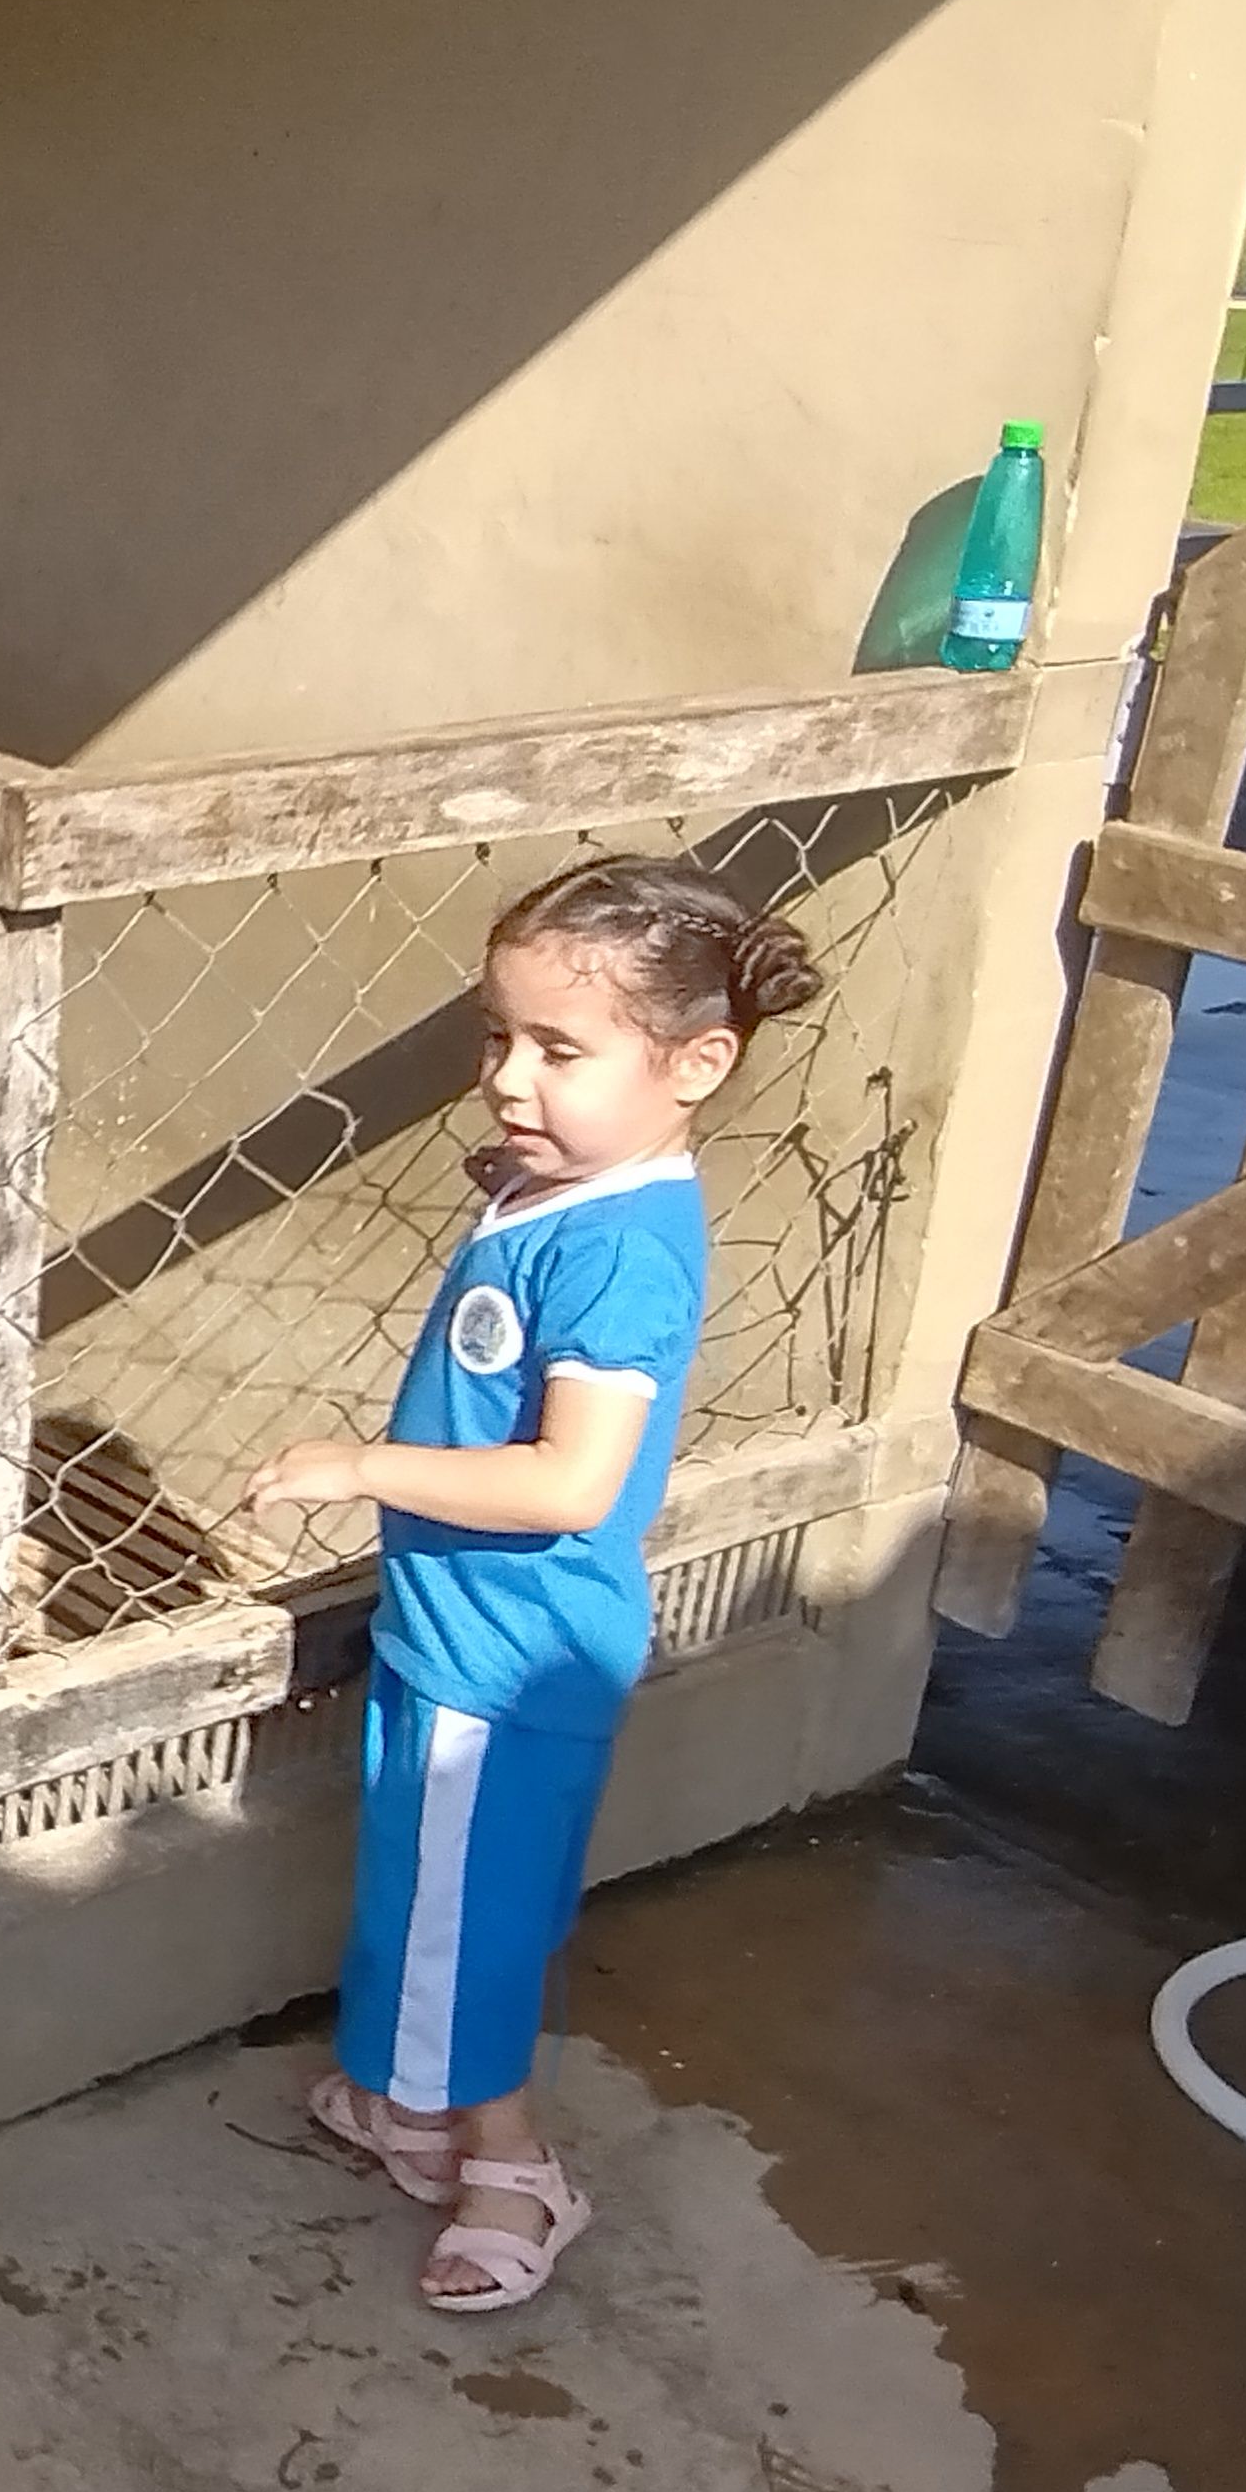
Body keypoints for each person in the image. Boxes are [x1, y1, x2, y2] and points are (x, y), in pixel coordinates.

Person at [244, 858, 825, 2311]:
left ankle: (511, 2166)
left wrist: (360, 1466)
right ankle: (407, 2101)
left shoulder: (619, 1255)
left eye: (560, 1052)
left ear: (696, 1066)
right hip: (461, 1635)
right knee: (427, 1899)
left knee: (465, 1931)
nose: (509, 1079)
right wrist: (519, 1184)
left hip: (506, 1660)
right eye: (498, 1038)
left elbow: (572, 1483)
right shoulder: (572, 1193)